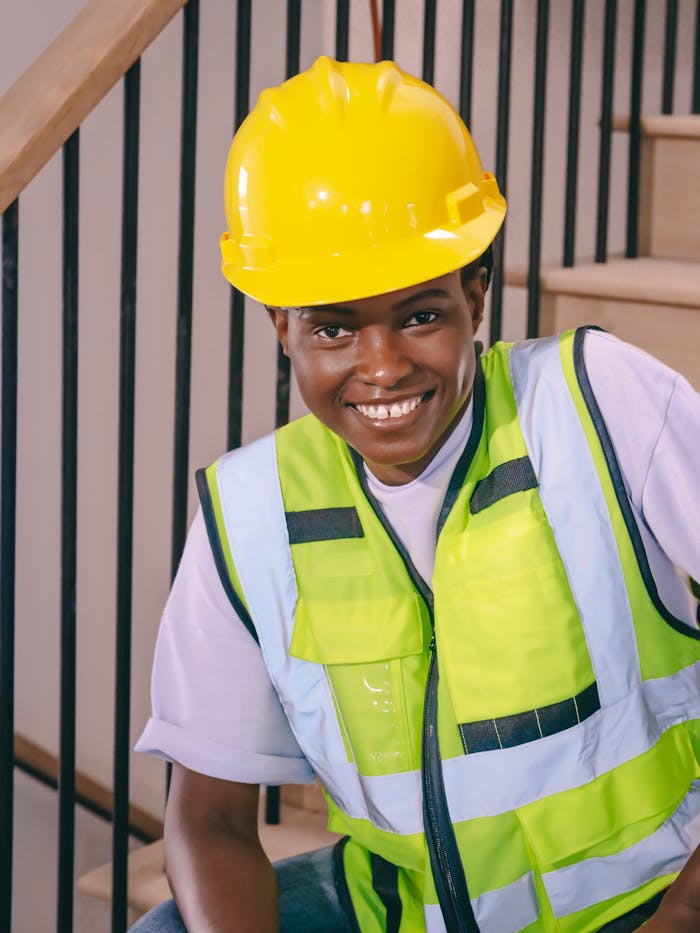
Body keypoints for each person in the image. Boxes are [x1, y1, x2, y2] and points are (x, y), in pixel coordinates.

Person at [132, 57, 700, 932]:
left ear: (476, 293)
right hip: (407, 910)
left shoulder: (599, 403)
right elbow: (208, 818)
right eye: (332, 326)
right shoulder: (249, 513)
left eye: (419, 313)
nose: (383, 366)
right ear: (281, 326)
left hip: (645, 900)